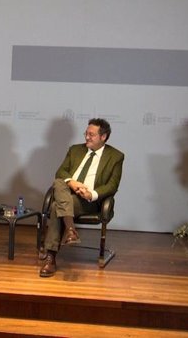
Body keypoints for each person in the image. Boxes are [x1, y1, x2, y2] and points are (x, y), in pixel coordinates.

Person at [39, 118, 124, 277]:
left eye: (91, 135)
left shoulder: (116, 156)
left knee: (55, 207)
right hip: (69, 193)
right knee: (59, 181)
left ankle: (51, 257)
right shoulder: (75, 150)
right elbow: (61, 172)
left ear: (103, 137)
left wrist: (91, 194)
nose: (86, 137)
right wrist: (72, 183)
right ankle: (70, 230)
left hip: (88, 201)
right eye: (86, 133)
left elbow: (113, 185)